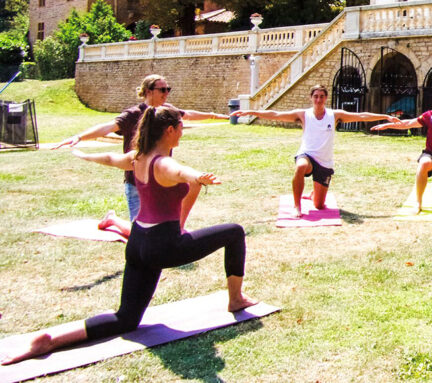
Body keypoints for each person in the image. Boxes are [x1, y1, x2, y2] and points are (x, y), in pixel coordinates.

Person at [1, 106, 256, 366]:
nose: (182, 131)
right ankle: (235, 299)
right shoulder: (163, 162)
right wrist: (197, 176)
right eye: (180, 127)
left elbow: (111, 158)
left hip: (137, 244)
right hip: (163, 246)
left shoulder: (137, 157)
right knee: (234, 232)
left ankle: (52, 338)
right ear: (169, 130)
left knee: (125, 318)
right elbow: (180, 172)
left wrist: (84, 155)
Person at [53, 75, 229, 235]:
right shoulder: (133, 114)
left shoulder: (167, 111)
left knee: (158, 230)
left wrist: (216, 116)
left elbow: (188, 114)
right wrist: (79, 137)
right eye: (162, 89)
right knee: (138, 234)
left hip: (161, 179)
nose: (166, 93)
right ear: (148, 91)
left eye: (168, 89)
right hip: (137, 180)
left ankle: (177, 230)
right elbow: (108, 127)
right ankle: (112, 219)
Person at [231, 85, 398, 217]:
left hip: (324, 162)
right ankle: (297, 206)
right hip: (307, 156)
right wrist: (251, 112)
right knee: (300, 167)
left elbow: (361, 116)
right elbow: (275, 114)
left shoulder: (335, 115)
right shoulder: (303, 115)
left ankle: (314, 194)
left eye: (322, 96)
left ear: (326, 98)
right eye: (316, 96)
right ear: (311, 98)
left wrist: (385, 116)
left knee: (319, 205)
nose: (319, 99)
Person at [371, 84, 432, 214]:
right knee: (424, 163)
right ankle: (418, 202)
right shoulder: (429, 116)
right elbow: (408, 123)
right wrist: (388, 125)